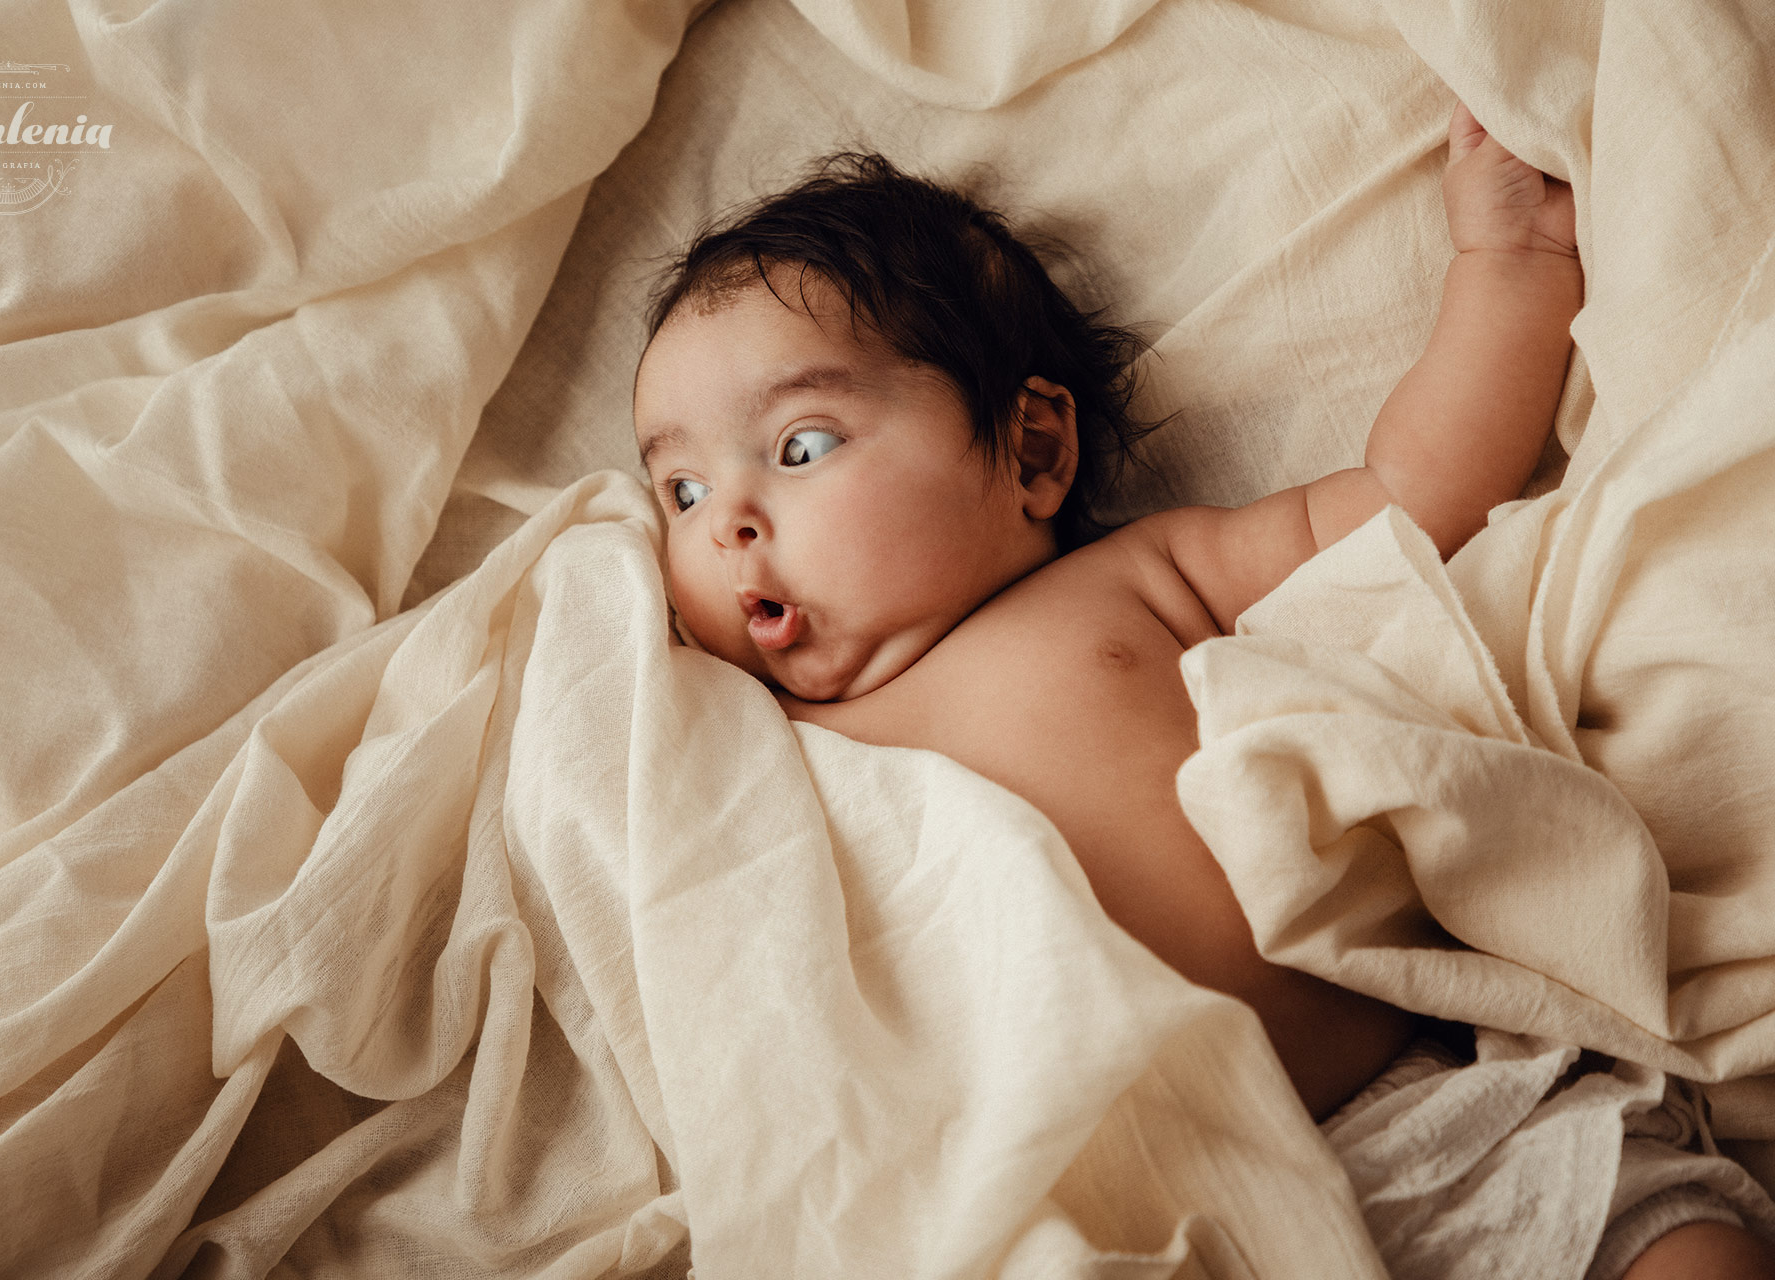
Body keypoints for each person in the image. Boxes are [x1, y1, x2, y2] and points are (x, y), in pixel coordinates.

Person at [631, 104, 1775, 1278]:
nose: (726, 522)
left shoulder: (1134, 578)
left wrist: (1511, 265)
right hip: (1121, 1213)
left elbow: (1406, 490)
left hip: (1413, 1125)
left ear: (1031, 451)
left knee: (1688, 1250)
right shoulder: (752, 738)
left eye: (800, 446)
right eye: (676, 490)